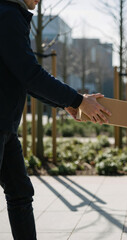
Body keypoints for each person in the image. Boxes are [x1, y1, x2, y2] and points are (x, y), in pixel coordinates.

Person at [0, 0, 112, 239]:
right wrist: (77, 100)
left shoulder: (10, 14)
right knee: (20, 195)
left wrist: (68, 103)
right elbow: (31, 75)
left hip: (6, 127)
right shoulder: (8, 16)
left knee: (20, 193)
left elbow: (23, 78)